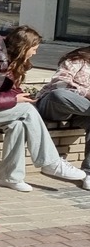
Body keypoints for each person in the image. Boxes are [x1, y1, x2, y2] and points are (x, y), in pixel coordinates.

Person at [0, 26, 85, 192]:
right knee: (26, 111)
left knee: (18, 124)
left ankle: (8, 177)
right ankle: (50, 162)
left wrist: (20, 96)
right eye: (34, 49)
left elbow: (6, 89)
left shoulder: (8, 59)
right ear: (24, 47)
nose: (35, 53)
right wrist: (15, 99)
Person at [34, 47, 90, 190]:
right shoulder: (77, 59)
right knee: (59, 94)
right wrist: (87, 93)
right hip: (55, 105)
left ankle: (88, 172)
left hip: (81, 113)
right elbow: (60, 83)